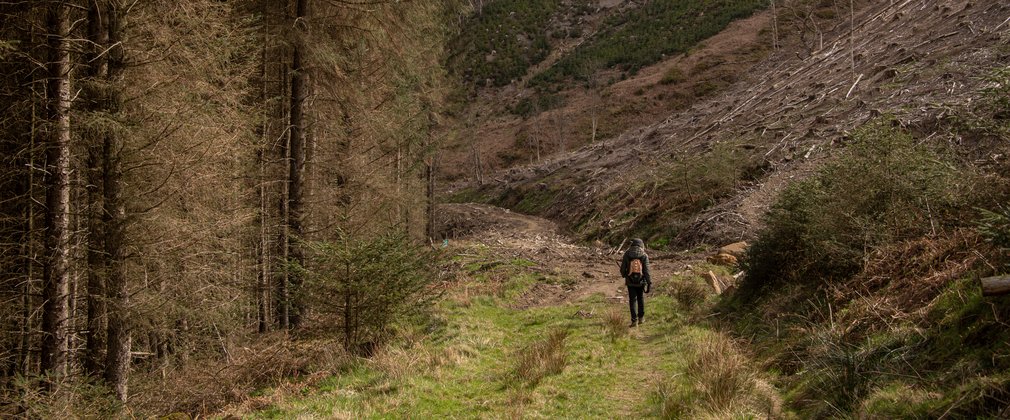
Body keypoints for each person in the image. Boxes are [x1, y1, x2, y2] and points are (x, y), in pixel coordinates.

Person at [620, 238, 651, 327]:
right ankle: (641, 318)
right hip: (641, 281)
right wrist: (649, 282)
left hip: (630, 281)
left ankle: (634, 321)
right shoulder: (644, 255)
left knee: (632, 300)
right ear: (641, 245)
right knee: (640, 298)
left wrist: (625, 275)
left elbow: (622, 269)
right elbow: (646, 270)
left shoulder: (627, 254)